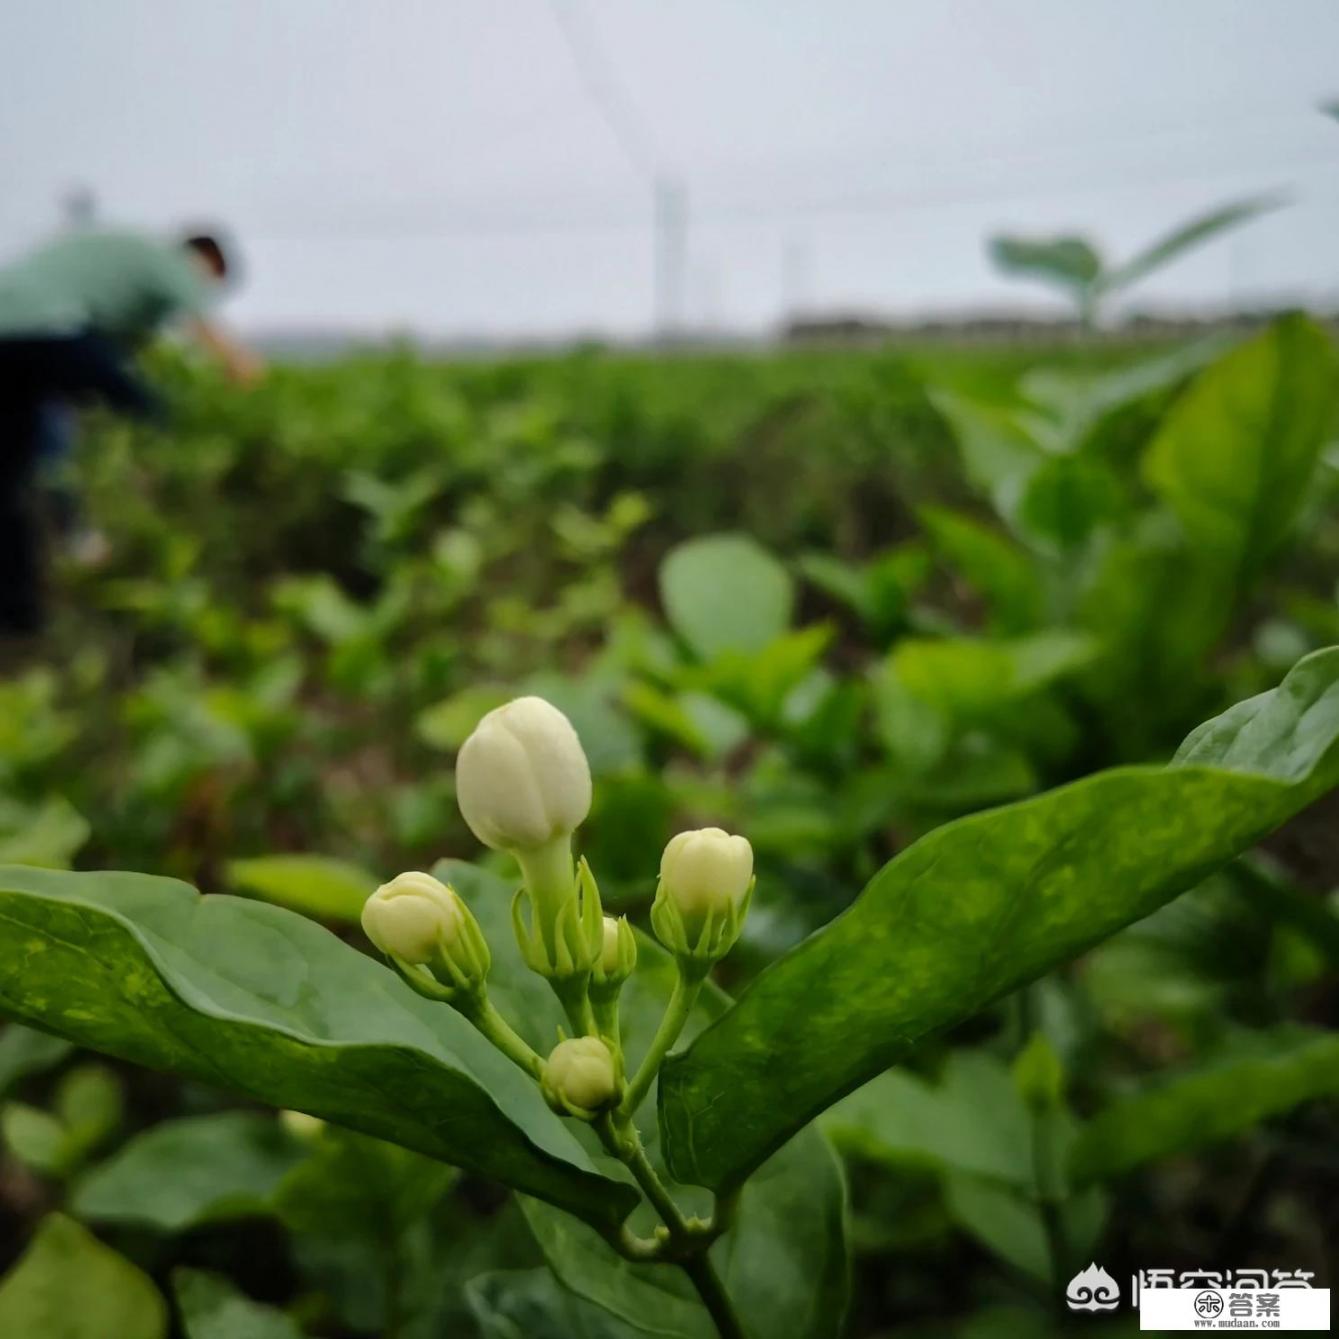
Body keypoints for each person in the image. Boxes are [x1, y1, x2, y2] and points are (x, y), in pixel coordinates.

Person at [0, 226, 262, 633]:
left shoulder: (124, 268)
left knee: (11, 475)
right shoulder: (172, 263)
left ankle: (18, 617)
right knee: (154, 414)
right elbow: (211, 334)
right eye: (211, 282)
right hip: (51, 330)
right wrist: (251, 385)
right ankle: (103, 532)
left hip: (9, 331)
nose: (205, 289)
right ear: (206, 260)